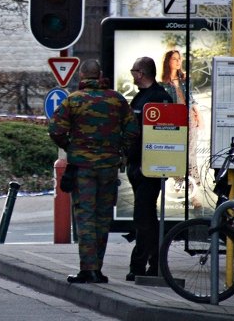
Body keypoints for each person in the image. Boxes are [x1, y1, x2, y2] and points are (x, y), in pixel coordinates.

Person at [49, 59, 137, 284]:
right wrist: (120, 151)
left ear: (81, 76)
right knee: (103, 217)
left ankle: (88, 269)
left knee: (86, 216)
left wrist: (72, 147)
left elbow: (56, 129)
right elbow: (132, 129)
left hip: (83, 168)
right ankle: (97, 268)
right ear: (100, 75)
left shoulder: (74, 100)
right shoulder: (116, 99)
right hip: (108, 167)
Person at [126, 56, 174, 281]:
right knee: (147, 218)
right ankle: (154, 264)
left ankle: (140, 265)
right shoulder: (141, 97)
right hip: (137, 166)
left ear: (141, 73)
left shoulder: (159, 98)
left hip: (150, 167)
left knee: (143, 218)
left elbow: (165, 133)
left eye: (134, 70)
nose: (132, 74)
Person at [159, 49, 202, 189]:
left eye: (179, 59)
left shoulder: (184, 79)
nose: (178, 61)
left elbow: (191, 98)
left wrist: (198, 115)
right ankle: (179, 182)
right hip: (174, 119)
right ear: (168, 62)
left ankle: (192, 187)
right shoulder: (162, 83)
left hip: (189, 116)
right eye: (174, 59)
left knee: (191, 153)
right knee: (177, 151)